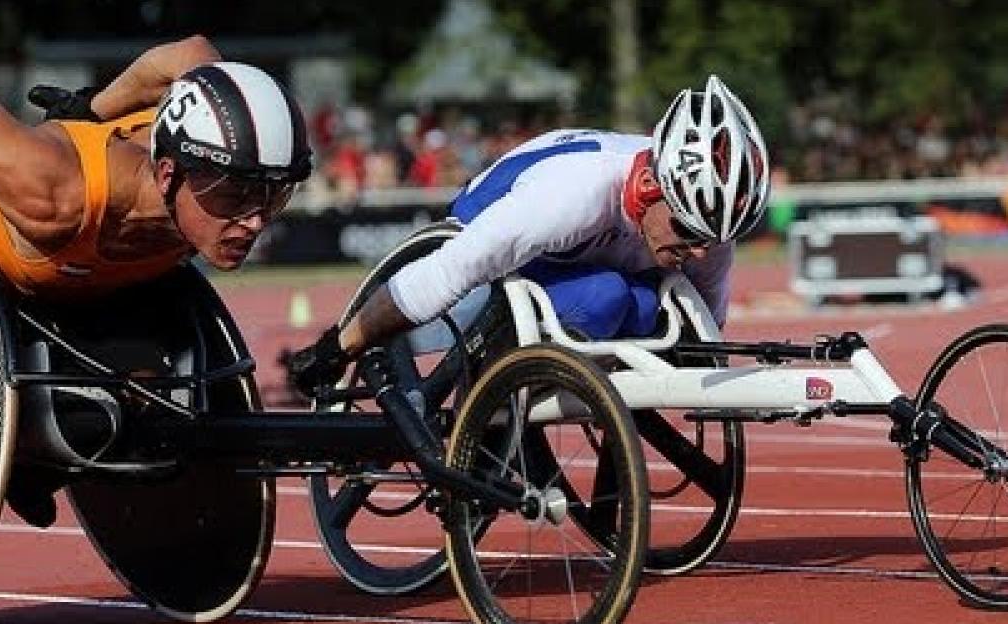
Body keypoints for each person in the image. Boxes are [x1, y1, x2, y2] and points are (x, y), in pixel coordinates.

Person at [0, 35, 313, 525]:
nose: (254, 221)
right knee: (85, 417)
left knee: (158, 418)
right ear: (168, 175)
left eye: (273, 196)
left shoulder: (214, 139)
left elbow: (191, 51)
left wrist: (93, 107)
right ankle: (22, 449)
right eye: (235, 195)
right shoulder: (52, 192)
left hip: (78, 303)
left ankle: (33, 459)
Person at [289, 74, 770, 394]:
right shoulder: (571, 196)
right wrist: (338, 346)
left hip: (582, 255)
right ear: (648, 186)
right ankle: (496, 399)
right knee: (607, 297)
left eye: (716, 238)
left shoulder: (704, 221)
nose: (700, 251)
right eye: (688, 232)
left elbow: (707, 333)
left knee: (649, 308)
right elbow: (445, 272)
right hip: (494, 218)